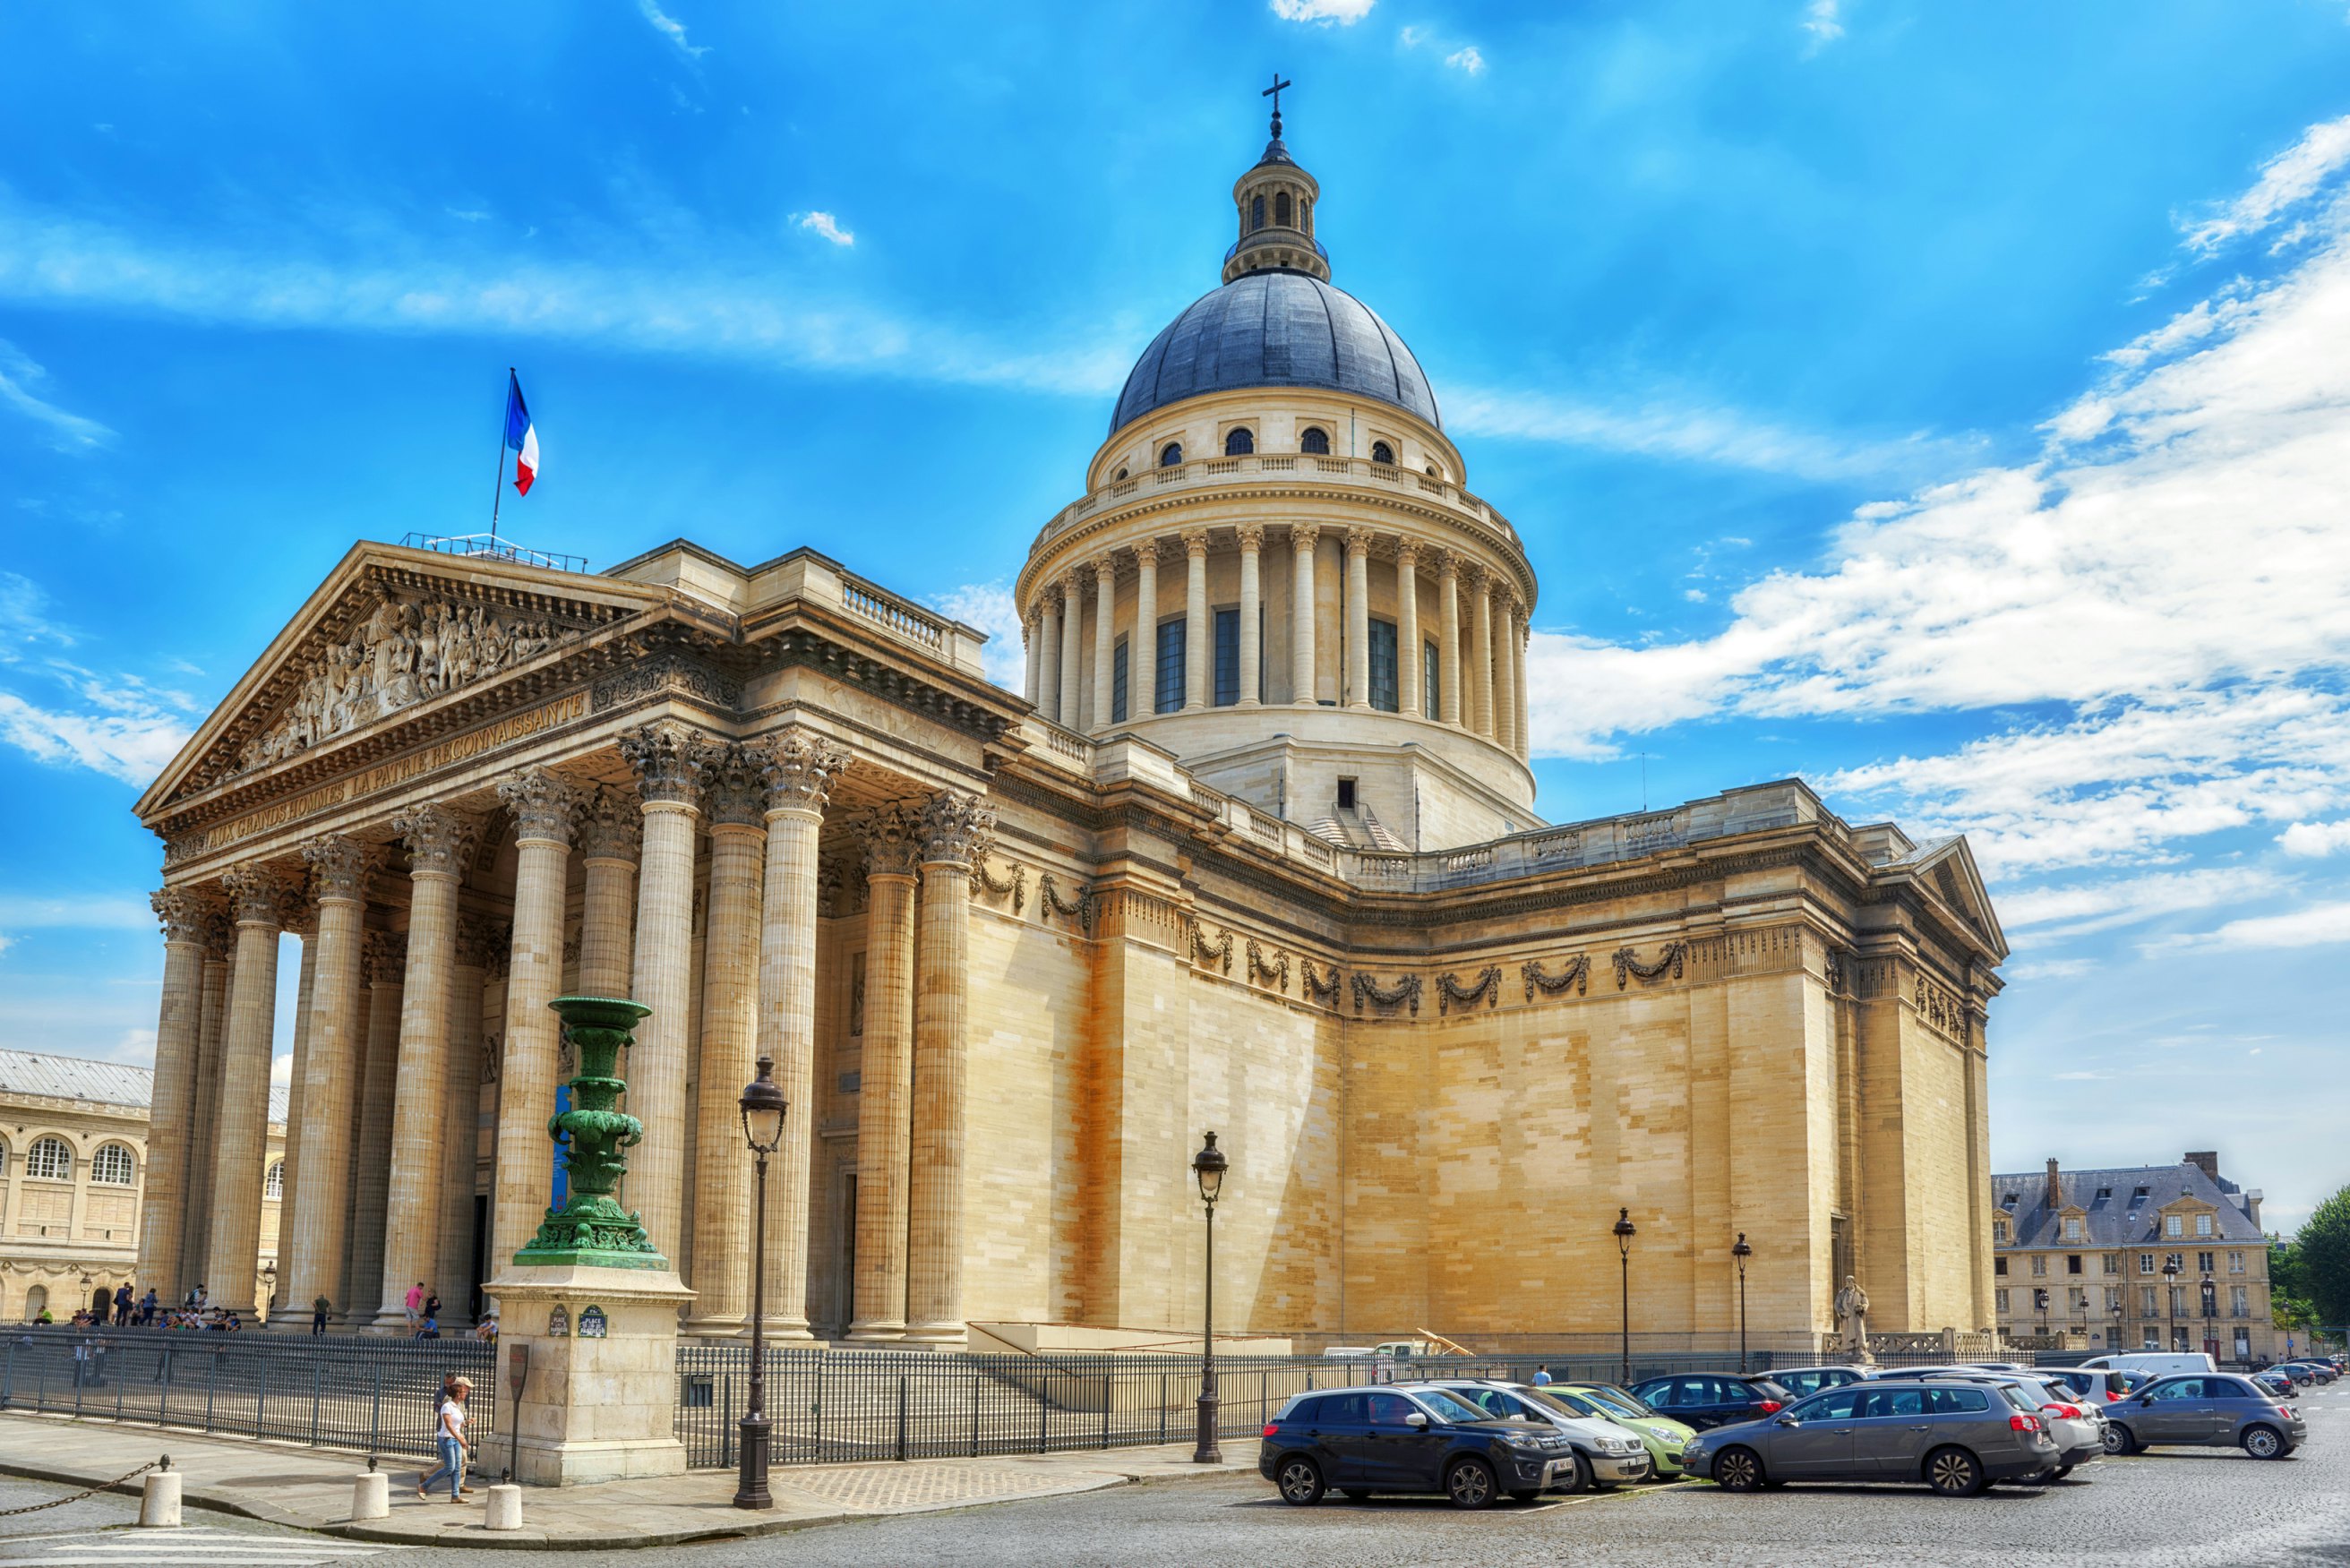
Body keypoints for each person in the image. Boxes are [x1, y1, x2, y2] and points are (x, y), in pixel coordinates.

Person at [417, 1376, 474, 1504]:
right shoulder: (447, 1406)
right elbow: (448, 1425)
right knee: (450, 1467)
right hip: (447, 1439)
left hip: (455, 1439)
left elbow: (456, 1424)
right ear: (458, 1394)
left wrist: (466, 1422)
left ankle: (455, 1496)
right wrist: (460, 1439)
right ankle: (424, 1486)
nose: (466, 1393)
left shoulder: (457, 1406)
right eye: (464, 1392)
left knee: (457, 1468)